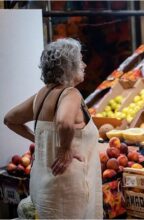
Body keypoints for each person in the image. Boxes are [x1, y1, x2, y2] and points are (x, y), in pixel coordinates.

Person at [3, 38, 103, 219]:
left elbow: (10, 119)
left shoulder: (41, 95)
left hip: (43, 187)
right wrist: (64, 150)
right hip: (67, 190)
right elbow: (64, 122)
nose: (85, 65)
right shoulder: (71, 94)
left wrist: (39, 140)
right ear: (68, 66)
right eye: (80, 60)